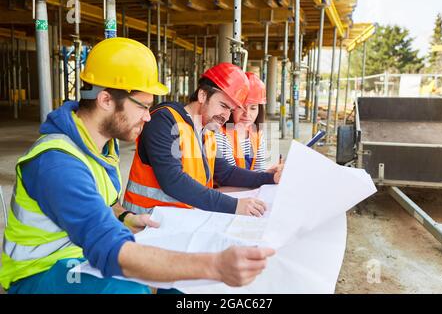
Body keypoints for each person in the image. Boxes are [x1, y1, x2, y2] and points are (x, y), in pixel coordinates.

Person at [0, 38, 275, 294]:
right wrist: (214, 266)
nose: (147, 117)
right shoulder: (57, 163)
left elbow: (104, 204)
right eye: (142, 106)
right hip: (39, 271)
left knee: (177, 285)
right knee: (132, 289)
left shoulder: (102, 146)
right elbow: (108, 248)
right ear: (106, 99)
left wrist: (124, 217)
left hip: (79, 252)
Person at [123, 63, 283, 218]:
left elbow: (226, 173)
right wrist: (235, 206)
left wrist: (269, 177)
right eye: (223, 105)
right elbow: (173, 180)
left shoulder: (207, 131)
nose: (226, 116)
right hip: (145, 223)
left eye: (231, 110)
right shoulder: (164, 120)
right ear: (202, 95)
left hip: (183, 219)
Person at [216, 72, 270, 172]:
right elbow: (231, 175)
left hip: (250, 185)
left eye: (253, 108)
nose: (247, 113)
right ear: (232, 106)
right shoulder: (220, 135)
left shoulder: (257, 134)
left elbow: (260, 169)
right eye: (241, 108)